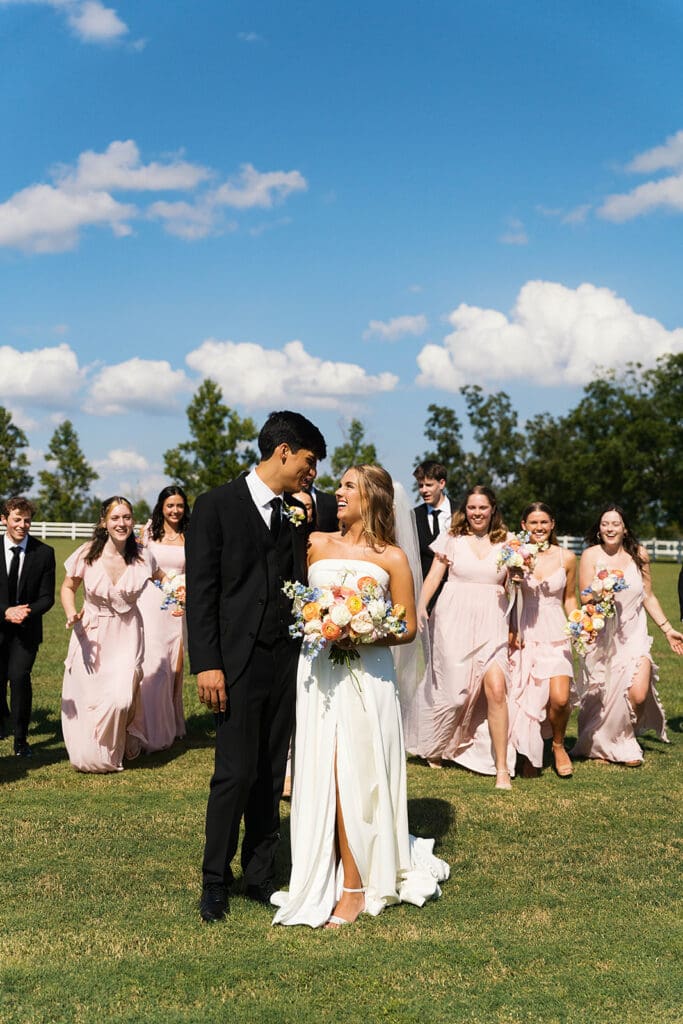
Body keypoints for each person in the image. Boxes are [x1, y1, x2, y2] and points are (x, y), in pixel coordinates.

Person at [272, 465, 448, 929]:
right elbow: (295, 602)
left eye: (348, 486)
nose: (338, 492)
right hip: (318, 674)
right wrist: (321, 621)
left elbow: (408, 626)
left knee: (356, 771)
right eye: (340, 485)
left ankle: (354, 884)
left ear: (372, 498)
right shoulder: (314, 543)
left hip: (368, 676)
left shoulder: (392, 558)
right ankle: (319, 872)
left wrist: (361, 631)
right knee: (322, 769)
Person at [186, 410, 327, 923]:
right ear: (283, 452)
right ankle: (214, 881)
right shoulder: (216, 505)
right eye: (309, 462)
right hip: (234, 664)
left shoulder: (300, 509)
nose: (313, 473)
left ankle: (260, 875)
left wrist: (315, 504)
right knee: (235, 773)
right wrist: (208, 665)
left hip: (288, 661)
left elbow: (359, 506)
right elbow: (202, 593)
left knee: (271, 771)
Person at [405, 485, 515, 789]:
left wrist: (517, 580)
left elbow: (514, 586)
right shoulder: (452, 539)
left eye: (483, 507)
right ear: (464, 510)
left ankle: (502, 767)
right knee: (455, 693)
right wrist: (420, 605)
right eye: (472, 508)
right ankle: (435, 744)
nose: (477, 513)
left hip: (492, 619)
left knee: (496, 688)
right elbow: (434, 576)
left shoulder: (509, 543)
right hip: (453, 619)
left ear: (493, 509)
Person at [572, 504, 683, 765]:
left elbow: (648, 595)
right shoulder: (590, 555)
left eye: (615, 524)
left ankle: (625, 741)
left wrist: (667, 630)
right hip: (602, 636)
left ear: (625, 528)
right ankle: (599, 746)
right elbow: (584, 596)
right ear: (599, 530)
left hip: (634, 635)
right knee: (602, 695)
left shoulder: (639, 555)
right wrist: (601, 592)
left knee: (638, 693)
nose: (610, 528)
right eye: (605, 524)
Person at [61, 496, 163, 773]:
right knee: (93, 696)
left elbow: (164, 578)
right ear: (104, 523)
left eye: (127, 517)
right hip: (92, 633)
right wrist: (72, 612)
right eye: (115, 518)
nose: (122, 523)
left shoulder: (143, 555)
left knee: (121, 698)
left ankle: (124, 734)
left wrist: (179, 594)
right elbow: (68, 588)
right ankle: (102, 749)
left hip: (128, 633)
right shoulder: (86, 554)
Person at [508, 502, 577, 778]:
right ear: (524, 525)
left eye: (544, 523)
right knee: (529, 697)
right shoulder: (516, 554)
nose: (539, 528)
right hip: (526, 629)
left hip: (557, 630)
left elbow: (569, 598)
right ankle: (529, 754)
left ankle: (558, 745)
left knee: (559, 700)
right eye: (533, 523)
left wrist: (579, 624)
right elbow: (508, 596)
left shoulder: (567, 558)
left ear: (552, 525)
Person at [0, 497, 56, 758]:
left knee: (19, 677)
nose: (23, 525)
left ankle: (20, 739)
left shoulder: (43, 553)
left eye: (27, 520)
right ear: (4, 520)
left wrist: (26, 612)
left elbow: (47, 597)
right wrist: (5, 612)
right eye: (17, 519)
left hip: (26, 630)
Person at [137, 486, 190, 752]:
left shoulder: (189, 535)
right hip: (150, 604)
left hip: (178, 605)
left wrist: (185, 591)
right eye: (170, 505)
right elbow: (137, 565)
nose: (175, 510)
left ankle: (173, 721)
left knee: (176, 665)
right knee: (153, 664)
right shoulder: (147, 533)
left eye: (179, 505)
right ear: (161, 507)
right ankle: (150, 722)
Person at [412, 461, 451, 611]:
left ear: (441, 483)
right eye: (420, 486)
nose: (424, 490)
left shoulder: (460, 512)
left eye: (428, 485)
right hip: (425, 597)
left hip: (456, 594)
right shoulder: (413, 516)